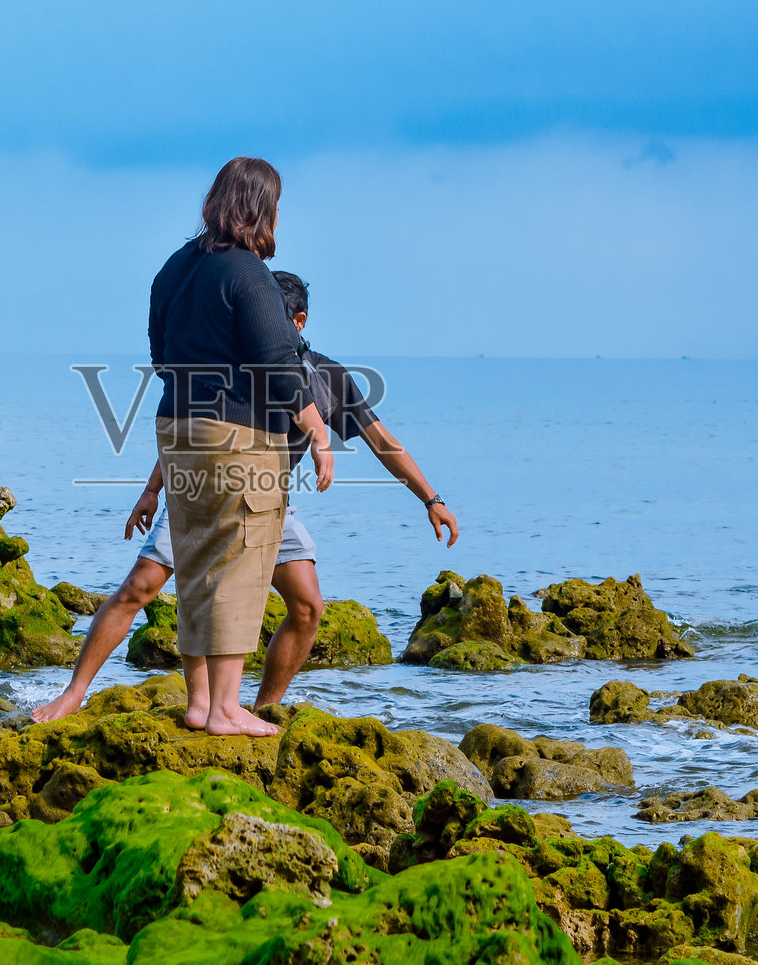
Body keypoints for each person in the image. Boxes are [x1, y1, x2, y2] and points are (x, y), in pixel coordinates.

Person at [34, 270, 460, 724]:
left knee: (307, 606)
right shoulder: (236, 367)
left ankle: (261, 709)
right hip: (203, 492)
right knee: (140, 586)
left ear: (297, 322)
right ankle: (73, 694)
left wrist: (431, 500)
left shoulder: (327, 377)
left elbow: (382, 442)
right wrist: (151, 491)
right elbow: (196, 434)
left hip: (268, 503)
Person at [138, 156, 332, 738]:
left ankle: (200, 703)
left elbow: (160, 354)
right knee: (240, 563)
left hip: (177, 427)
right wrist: (318, 432)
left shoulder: (175, 266)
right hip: (238, 437)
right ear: (262, 207)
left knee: (196, 558)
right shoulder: (248, 272)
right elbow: (278, 363)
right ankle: (226, 708)